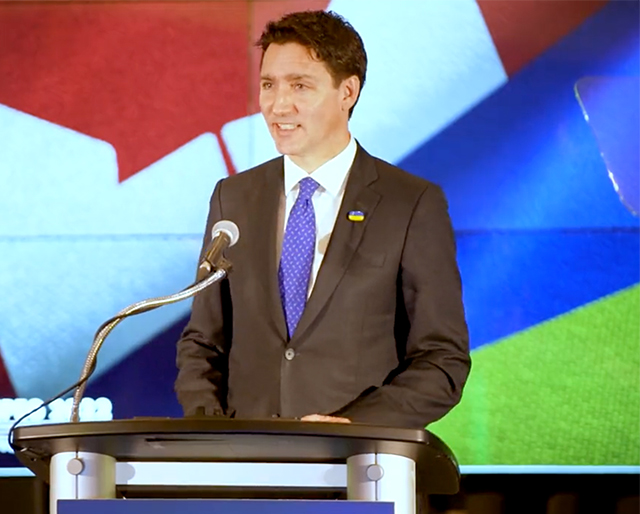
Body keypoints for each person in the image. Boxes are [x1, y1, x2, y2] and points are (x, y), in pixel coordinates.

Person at [175, 10, 470, 428]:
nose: (278, 105)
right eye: (268, 85)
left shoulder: (410, 204)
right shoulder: (234, 198)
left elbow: (442, 360)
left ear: (347, 91)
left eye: (300, 85)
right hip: (246, 458)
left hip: (358, 459)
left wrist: (354, 426)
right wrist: (211, 430)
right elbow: (203, 343)